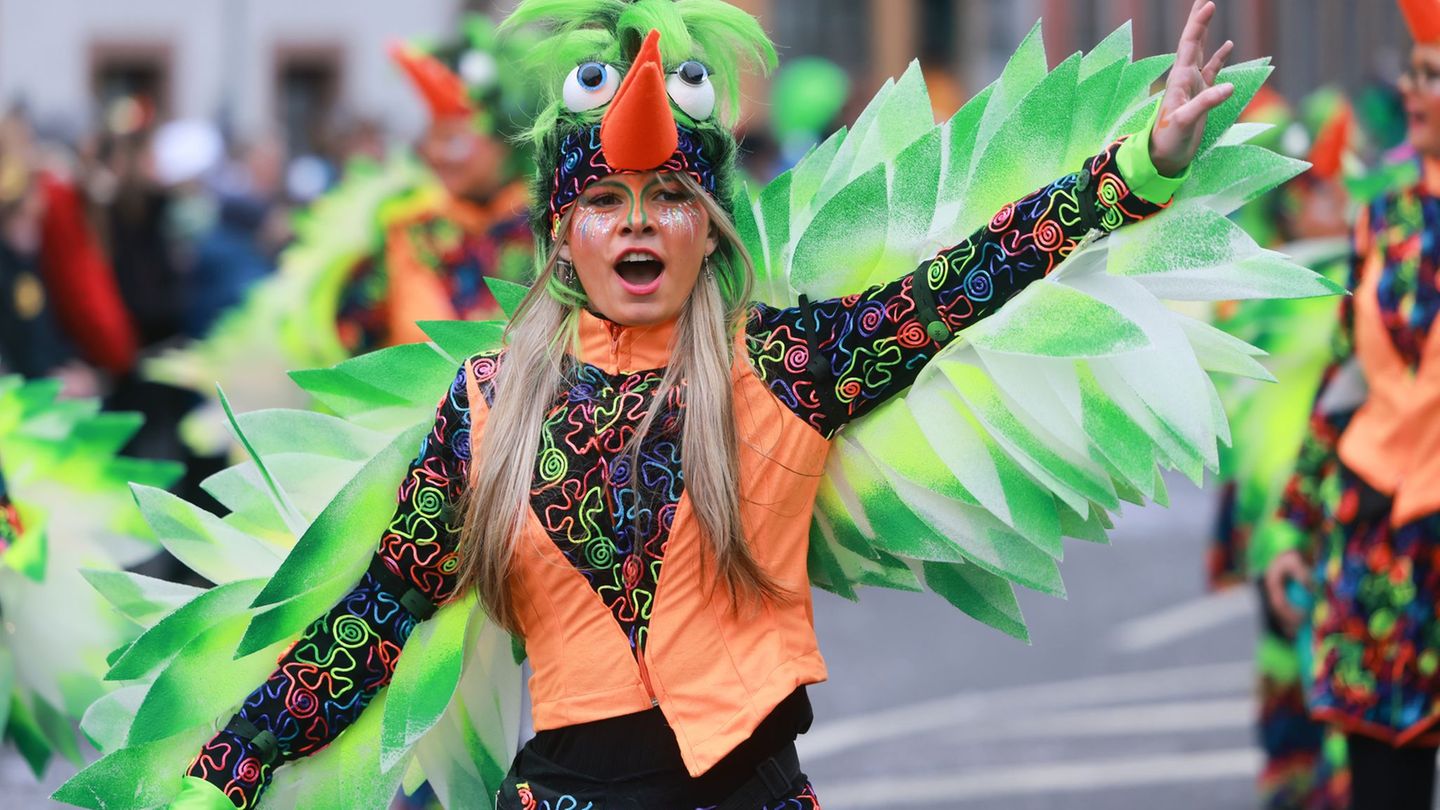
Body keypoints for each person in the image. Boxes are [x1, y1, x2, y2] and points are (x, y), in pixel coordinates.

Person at [153, 1, 1241, 807]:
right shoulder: (486, 406)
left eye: (672, 197)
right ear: (563, 232)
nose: (640, 224)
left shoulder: (781, 366)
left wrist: (1137, 166)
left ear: (708, 226)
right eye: (607, 200)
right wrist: (233, 764)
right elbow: (383, 610)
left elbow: (962, 281)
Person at [1264, 1, 1440, 808]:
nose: (1411, 87)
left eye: (1431, 75)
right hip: (1379, 550)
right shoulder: (1387, 219)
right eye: (1413, 70)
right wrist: (1296, 522)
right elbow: (1344, 381)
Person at [335, 18, 536, 354]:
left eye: (454, 139)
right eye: (433, 137)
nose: (437, 154)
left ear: (504, 144)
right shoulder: (408, 229)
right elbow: (356, 336)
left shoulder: (545, 229)